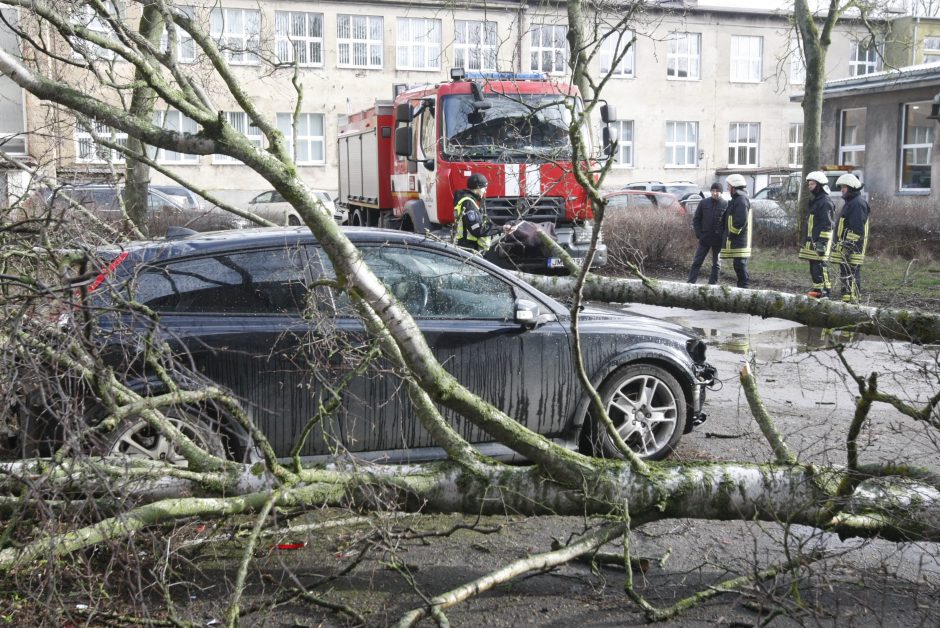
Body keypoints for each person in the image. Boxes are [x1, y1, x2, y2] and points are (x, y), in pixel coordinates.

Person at [832, 172, 870, 304]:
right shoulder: (851, 203)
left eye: (844, 187)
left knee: (851, 274)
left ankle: (853, 303)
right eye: (841, 187)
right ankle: (847, 301)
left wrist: (848, 246)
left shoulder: (857, 204)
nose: (842, 189)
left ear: (852, 187)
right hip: (846, 247)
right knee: (846, 274)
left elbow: (856, 229)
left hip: (853, 249)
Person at [799, 171, 835, 299]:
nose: (809, 186)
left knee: (821, 268)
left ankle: (825, 292)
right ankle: (818, 291)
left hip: (820, 243)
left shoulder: (825, 202)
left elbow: (827, 225)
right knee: (814, 269)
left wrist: (822, 243)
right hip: (813, 242)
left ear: (819, 185)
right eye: (809, 183)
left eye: (812, 184)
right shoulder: (816, 201)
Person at [687, 182, 728, 284]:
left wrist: (724, 237)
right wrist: (699, 234)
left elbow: (727, 223)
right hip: (704, 238)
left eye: (717, 191)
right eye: (713, 191)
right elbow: (696, 219)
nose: (715, 193)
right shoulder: (704, 203)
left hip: (718, 240)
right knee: (697, 262)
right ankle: (690, 283)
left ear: (721, 192)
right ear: (710, 191)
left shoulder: (725, 204)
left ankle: (712, 285)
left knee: (717, 264)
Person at [719, 173, 752, 288]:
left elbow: (740, 221)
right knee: (738, 266)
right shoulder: (738, 199)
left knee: (740, 266)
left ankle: (745, 291)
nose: (727, 188)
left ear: (734, 187)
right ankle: (742, 289)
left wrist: (731, 235)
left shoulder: (741, 200)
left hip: (739, 240)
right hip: (738, 240)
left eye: (729, 186)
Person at [454, 173, 500, 252]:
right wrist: (500, 229)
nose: (485, 191)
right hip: (469, 248)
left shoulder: (465, 200)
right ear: (478, 187)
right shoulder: (468, 203)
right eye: (484, 188)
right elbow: (478, 230)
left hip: (464, 245)